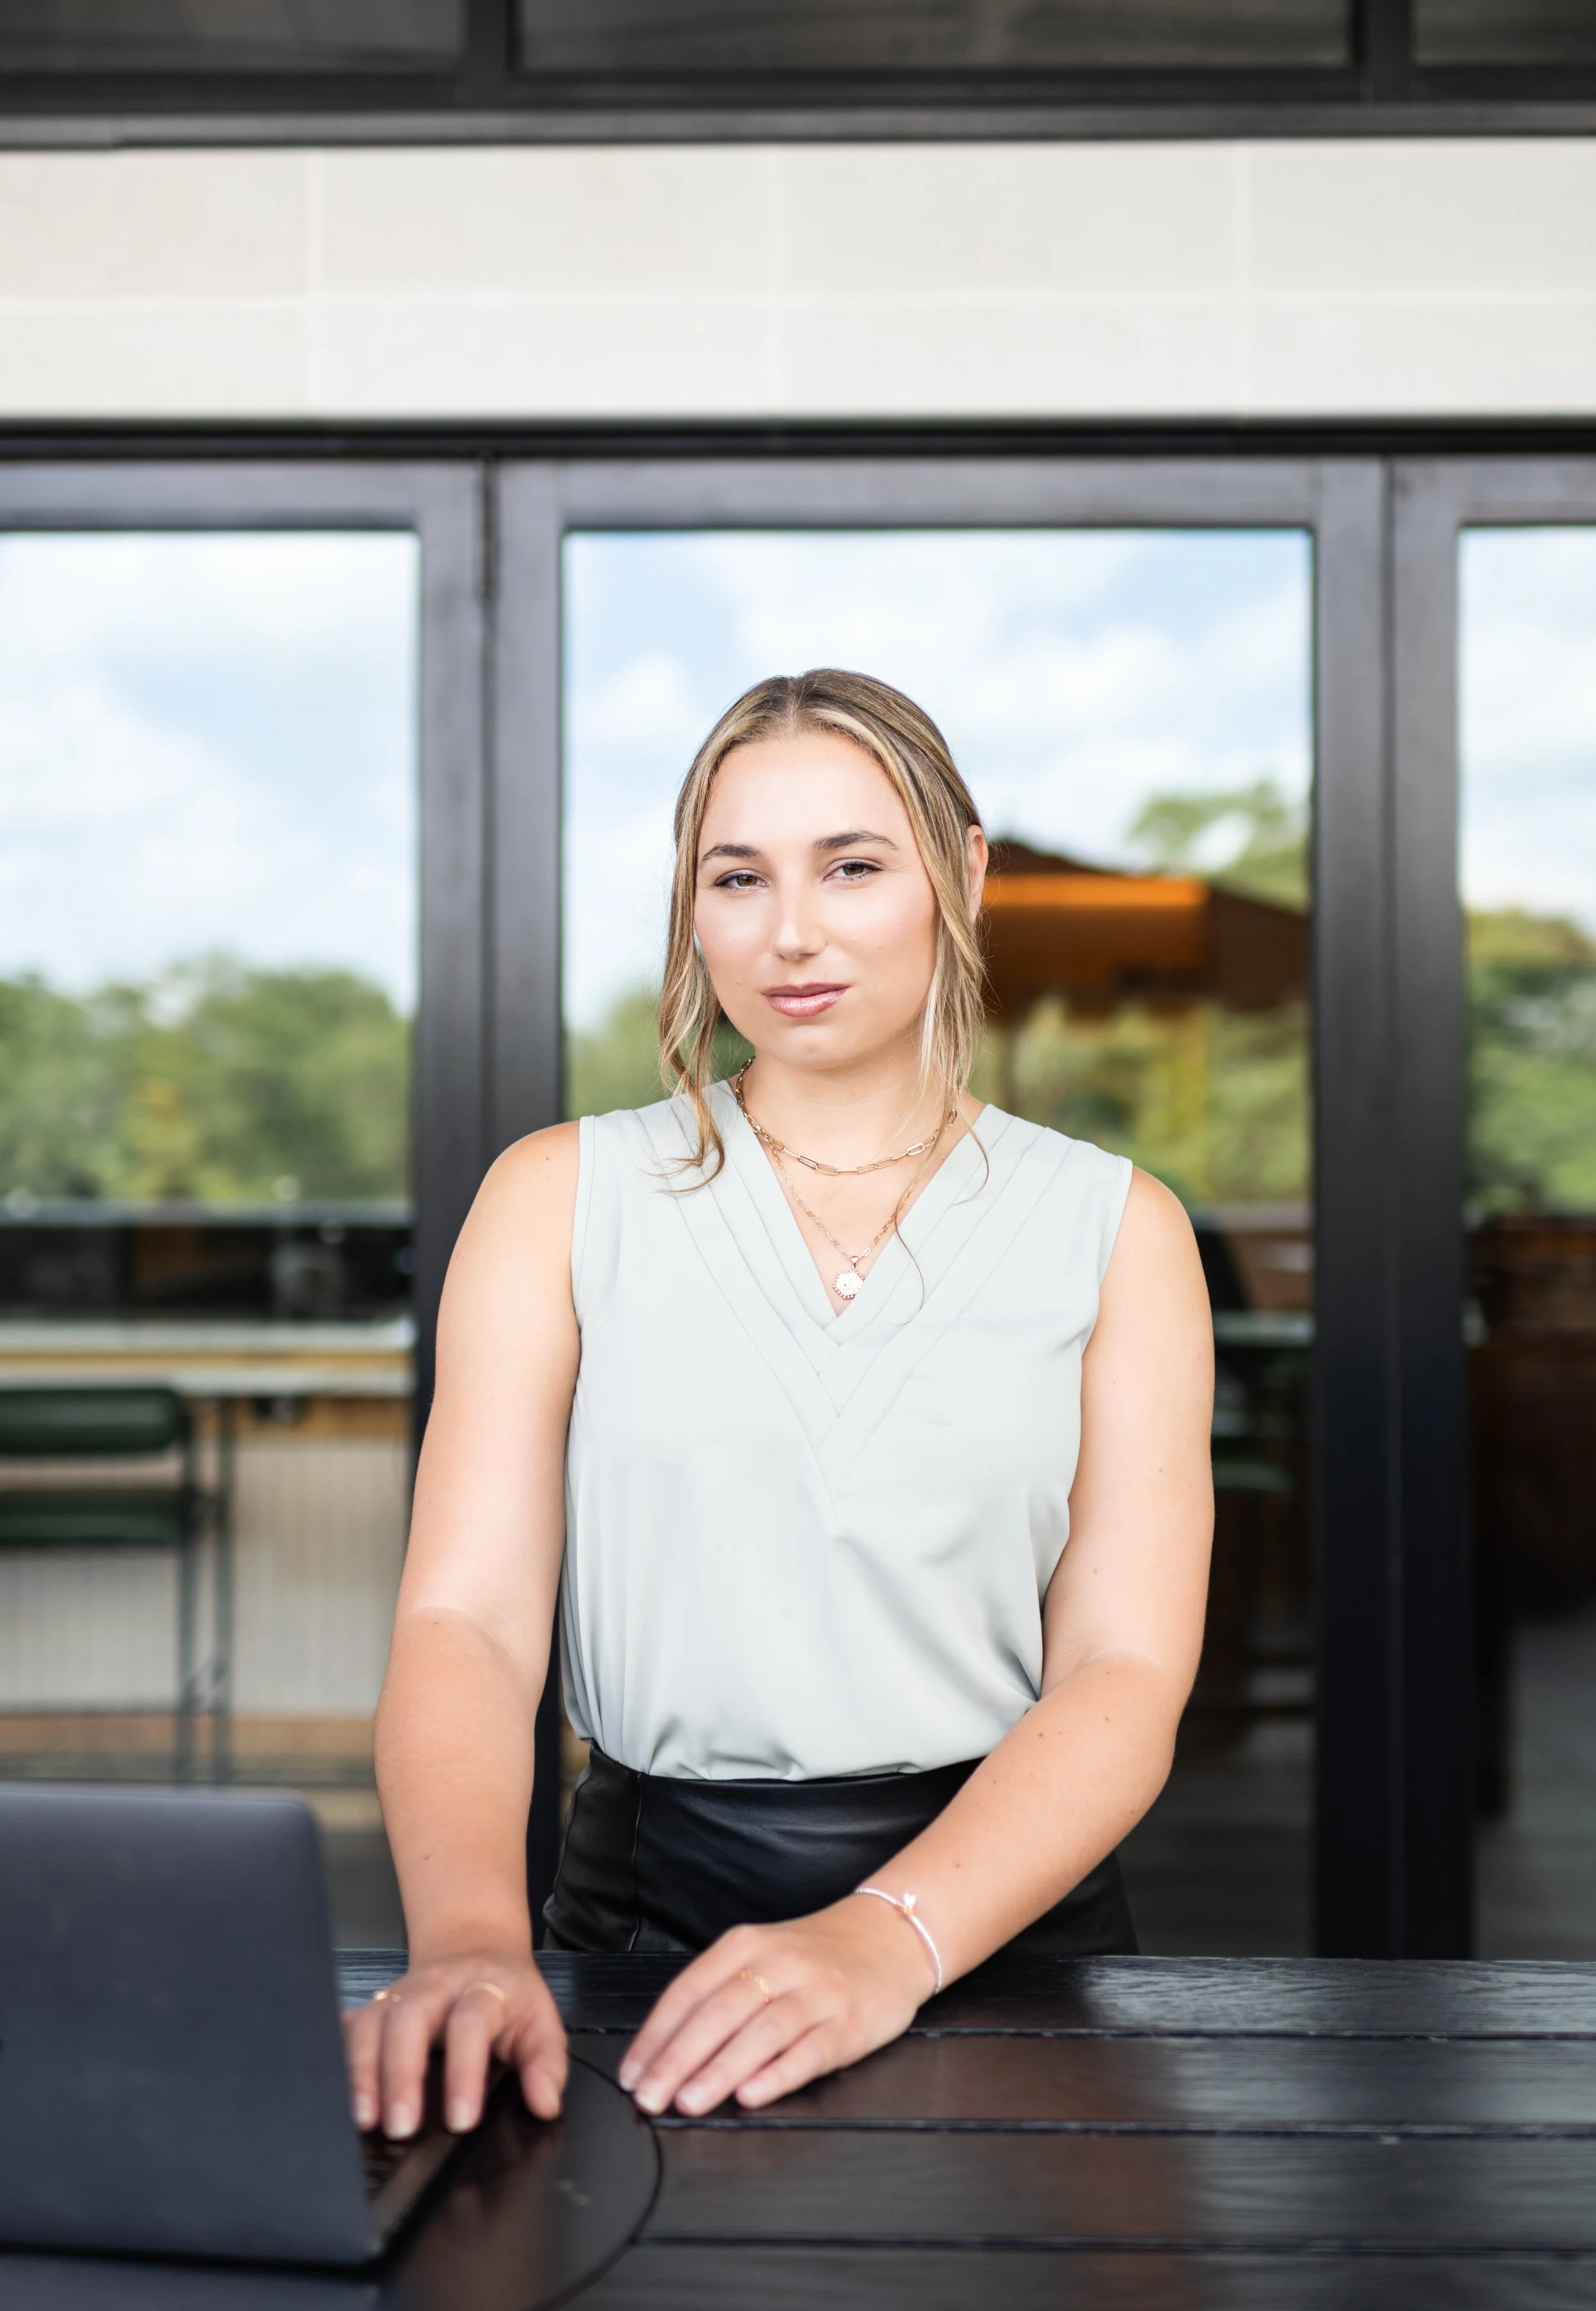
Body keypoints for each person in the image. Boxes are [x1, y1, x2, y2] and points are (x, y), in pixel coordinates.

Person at [345, 669, 1214, 2142]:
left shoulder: (1116, 1226)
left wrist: (889, 1935)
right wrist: (473, 1942)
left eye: (852, 866)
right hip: (639, 1931)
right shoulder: (557, 1196)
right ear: (692, 910)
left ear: (962, 871)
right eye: (736, 877)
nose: (789, 931)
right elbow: (467, 1625)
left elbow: (1121, 1670)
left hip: (1001, 1933)